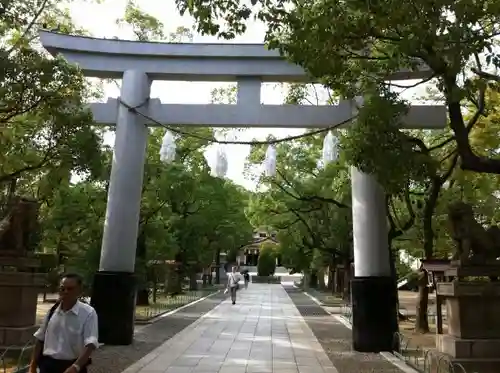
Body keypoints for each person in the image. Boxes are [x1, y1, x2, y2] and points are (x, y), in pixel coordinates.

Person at [29, 273, 99, 373]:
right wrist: (33, 365)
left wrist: (76, 367)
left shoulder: (88, 313)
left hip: (72, 366)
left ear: (79, 290)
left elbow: (90, 344)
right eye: (62, 289)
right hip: (48, 366)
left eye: (70, 289)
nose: (65, 292)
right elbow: (40, 338)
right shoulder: (52, 311)